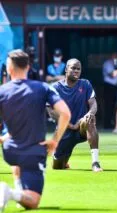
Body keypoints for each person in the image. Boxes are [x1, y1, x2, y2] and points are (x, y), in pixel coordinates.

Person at [0, 49, 71, 211]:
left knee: (18, 157)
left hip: (10, 150)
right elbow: (65, 113)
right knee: (33, 202)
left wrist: (3, 137)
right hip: (34, 151)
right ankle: (11, 193)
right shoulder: (43, 88)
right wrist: (55, 140)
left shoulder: (2, 91)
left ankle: (18, 190)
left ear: (9, 68)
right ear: (28, 67)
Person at [48, 58, 103, 172]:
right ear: (66, 69)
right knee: (58, 167)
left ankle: (95, 163)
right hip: (64, 130)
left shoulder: (85, 84)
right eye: (73, 68)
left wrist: (89, 114)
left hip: (81, 127)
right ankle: (64, 161)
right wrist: (68, 124)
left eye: (78, 69)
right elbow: (50, 110)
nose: (76, 71)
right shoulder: (55, 87)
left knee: (90, 119)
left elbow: (93, 105)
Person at [102, 53, 117, 129]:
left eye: (116, 56)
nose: (115, 57)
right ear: (111, 56)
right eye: (114, 56)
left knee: (114, 106)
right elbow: (112, 74)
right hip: (108, 86)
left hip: (116, 87)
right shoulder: (107, 63)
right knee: (108, 105)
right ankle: (106, 124)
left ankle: (112, 123)